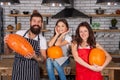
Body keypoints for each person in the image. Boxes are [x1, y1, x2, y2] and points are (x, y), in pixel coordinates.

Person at [4, 10, 47, 80]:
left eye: (39, 22)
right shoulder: (19, 34)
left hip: (32, 73)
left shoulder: (42, 39)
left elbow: (44, 60)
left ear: (41, 24)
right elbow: (7, 52)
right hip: (18, 72)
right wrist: (6, 43)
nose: (36, 23)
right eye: (34, 21)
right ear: (30, 22)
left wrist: (35, 57)